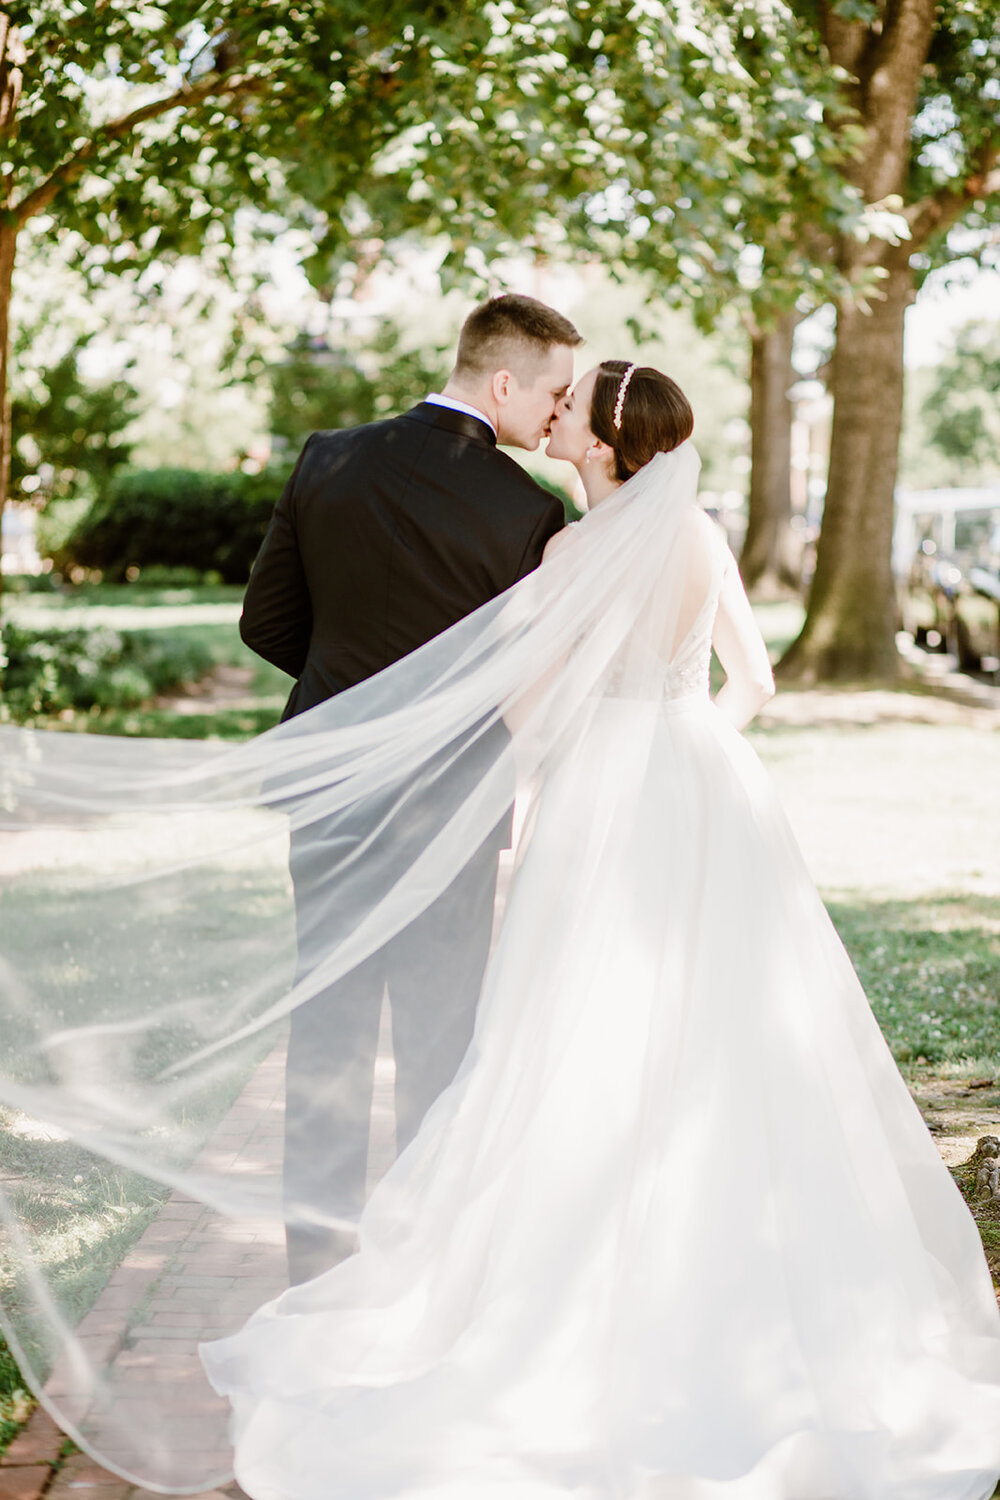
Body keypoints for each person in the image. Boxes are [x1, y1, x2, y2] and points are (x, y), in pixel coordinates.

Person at [198, 362, 1000, 1500]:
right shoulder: (705, 538)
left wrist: (559, 787)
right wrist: (687, 747)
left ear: (605, 444)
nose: (555, 417)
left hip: (597, 797)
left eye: (574, 411)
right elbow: (754, 683)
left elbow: (529, 708)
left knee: (573, 1028)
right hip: (707, 788)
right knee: (728, 1027)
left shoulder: (573, 552)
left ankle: (569, 1276)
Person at [238, 293, 582, 1284]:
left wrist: (360, 696)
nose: (557, 415)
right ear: (503, 379)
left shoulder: (329, 457)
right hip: (455, 798)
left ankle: (314, 1256)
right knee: (440, 1028)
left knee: (329, 1023)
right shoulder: (527, 511)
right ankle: (421, 1255)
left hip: (332, 779)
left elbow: (267, 625)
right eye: (553, 393)